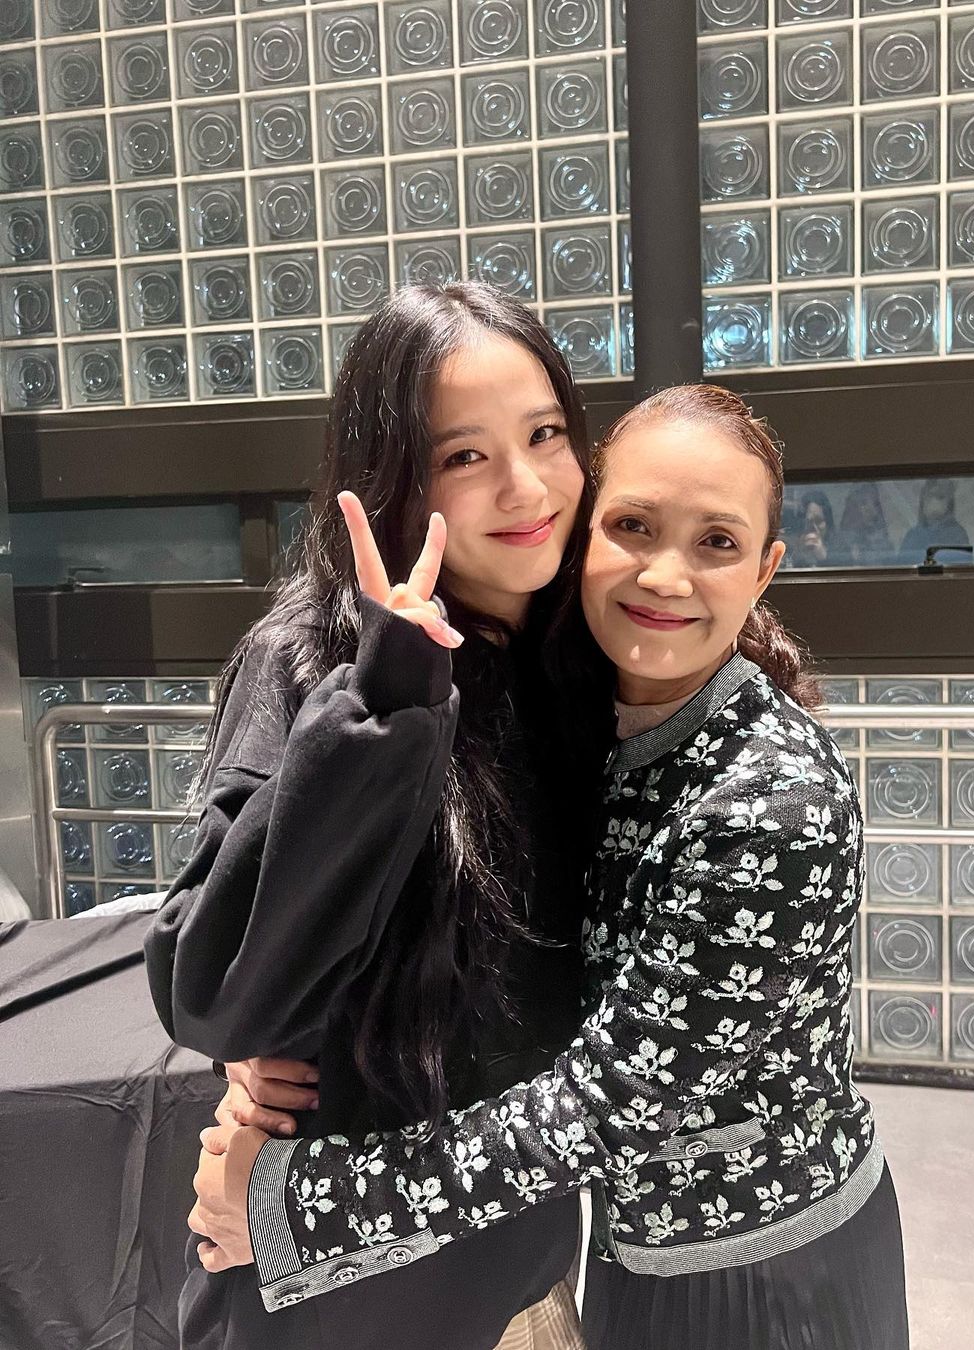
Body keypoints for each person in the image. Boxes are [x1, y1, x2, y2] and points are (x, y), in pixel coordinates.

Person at [192, 385, 909, 1350]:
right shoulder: (584, 718)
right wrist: (283, 1027)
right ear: (583, 538)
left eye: (717, 542)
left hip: (761, 1277)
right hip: (629, 1253)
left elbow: (612, 1103)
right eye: (634, 526)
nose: (666, 575)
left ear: (764, 569)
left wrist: (299, 1204)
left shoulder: (773, 804)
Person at [144, 282, 608, 1350]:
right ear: (391, 478)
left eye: (545, 434)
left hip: (517, 1260)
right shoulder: (310, 660)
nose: (526, 484)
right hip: (341, 1287)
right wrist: (388, 696)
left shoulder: (571, 656)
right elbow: (212, 989)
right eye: (464, 455)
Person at [896, 478, 972, 567]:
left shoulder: (957, 534)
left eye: (940, 497)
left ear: (949, 503)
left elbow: (963, 569)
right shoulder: (912, 535)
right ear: (923, 502)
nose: (934, 501)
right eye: (929, 497)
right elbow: (902, 569)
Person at [835, 481, 892, 566]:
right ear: (853, 507)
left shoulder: (883, 542)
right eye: (863, 503)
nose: (870, 509)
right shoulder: (840, 543)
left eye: (875, 504)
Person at [789, 488, 838, 568]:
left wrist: (824, 557)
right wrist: (798, 555)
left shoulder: (840, 547)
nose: (814, 528)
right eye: (809, 522)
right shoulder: (792, 546)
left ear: (828, 523)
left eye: (818, 521)